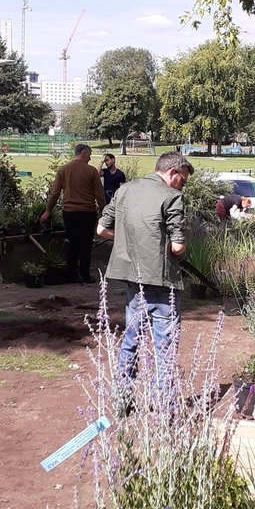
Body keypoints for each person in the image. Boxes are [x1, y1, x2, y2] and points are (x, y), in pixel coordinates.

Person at [96, 151, 193, 384]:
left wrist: (129, 238)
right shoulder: (172, 196)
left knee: (131, 338)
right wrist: (178, 247)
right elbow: (178, 247)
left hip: (132, 277)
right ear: (172, 172)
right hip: (161, 280)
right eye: (182, 181)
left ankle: (123, 395)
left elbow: (101, 229)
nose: (182, 186)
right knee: (164, 346)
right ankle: (164, 403)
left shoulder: (124, 190)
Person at [41, 143, 105, 283]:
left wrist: (48, 211)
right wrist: (103, 213)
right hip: (88, 213)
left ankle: (72, 274)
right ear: (83, 153)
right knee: (86, 244)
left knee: (71, 242)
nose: (90, 158)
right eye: (89, 154)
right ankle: (85, 275)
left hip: (70, 213)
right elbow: (99, 195)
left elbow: (54, 193)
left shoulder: (63, 169)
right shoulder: (91, 171)